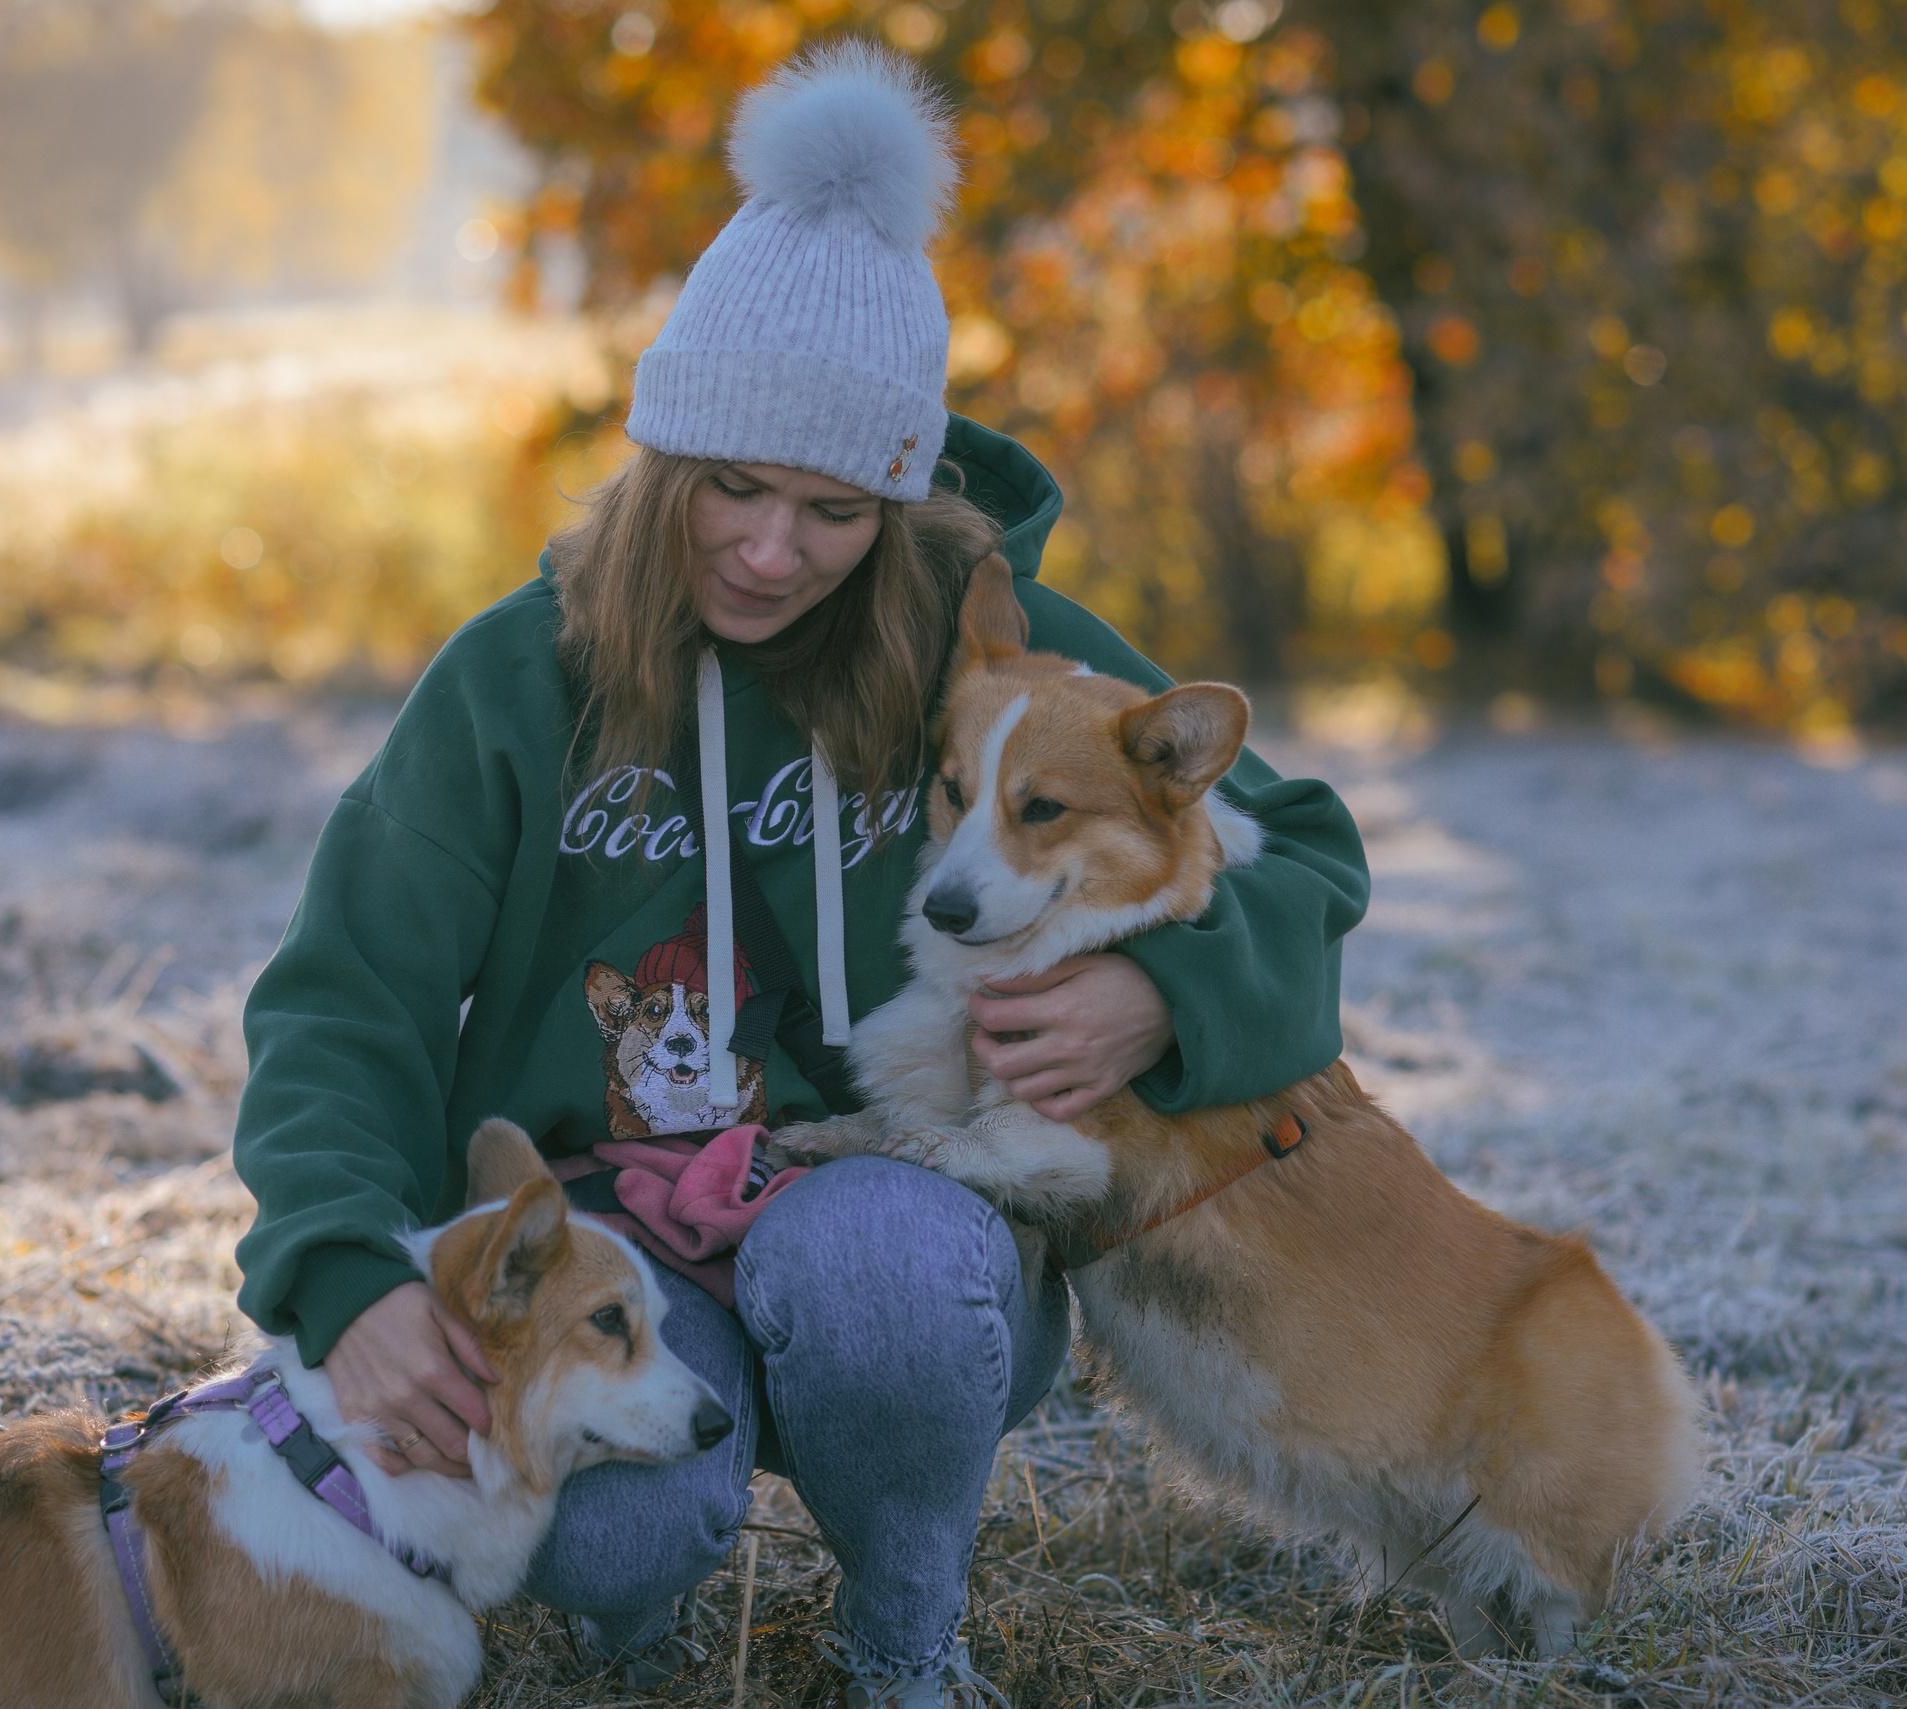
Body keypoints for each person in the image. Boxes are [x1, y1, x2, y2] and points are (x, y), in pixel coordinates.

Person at [229, 41, 1369, 1709]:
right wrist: (346, 1273)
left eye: (834, 509)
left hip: (895, 1199)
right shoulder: (515, 680)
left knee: (885, 1286)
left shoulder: (991, 658)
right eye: (733, 490)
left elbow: (1310, 854)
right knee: (616, 1543)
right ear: (662, 461)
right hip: (605, 1231)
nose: (770, 550)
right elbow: (351, 993)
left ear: (900, 501)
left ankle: (908, 1641)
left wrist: (1159, 991)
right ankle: (645, 1615)